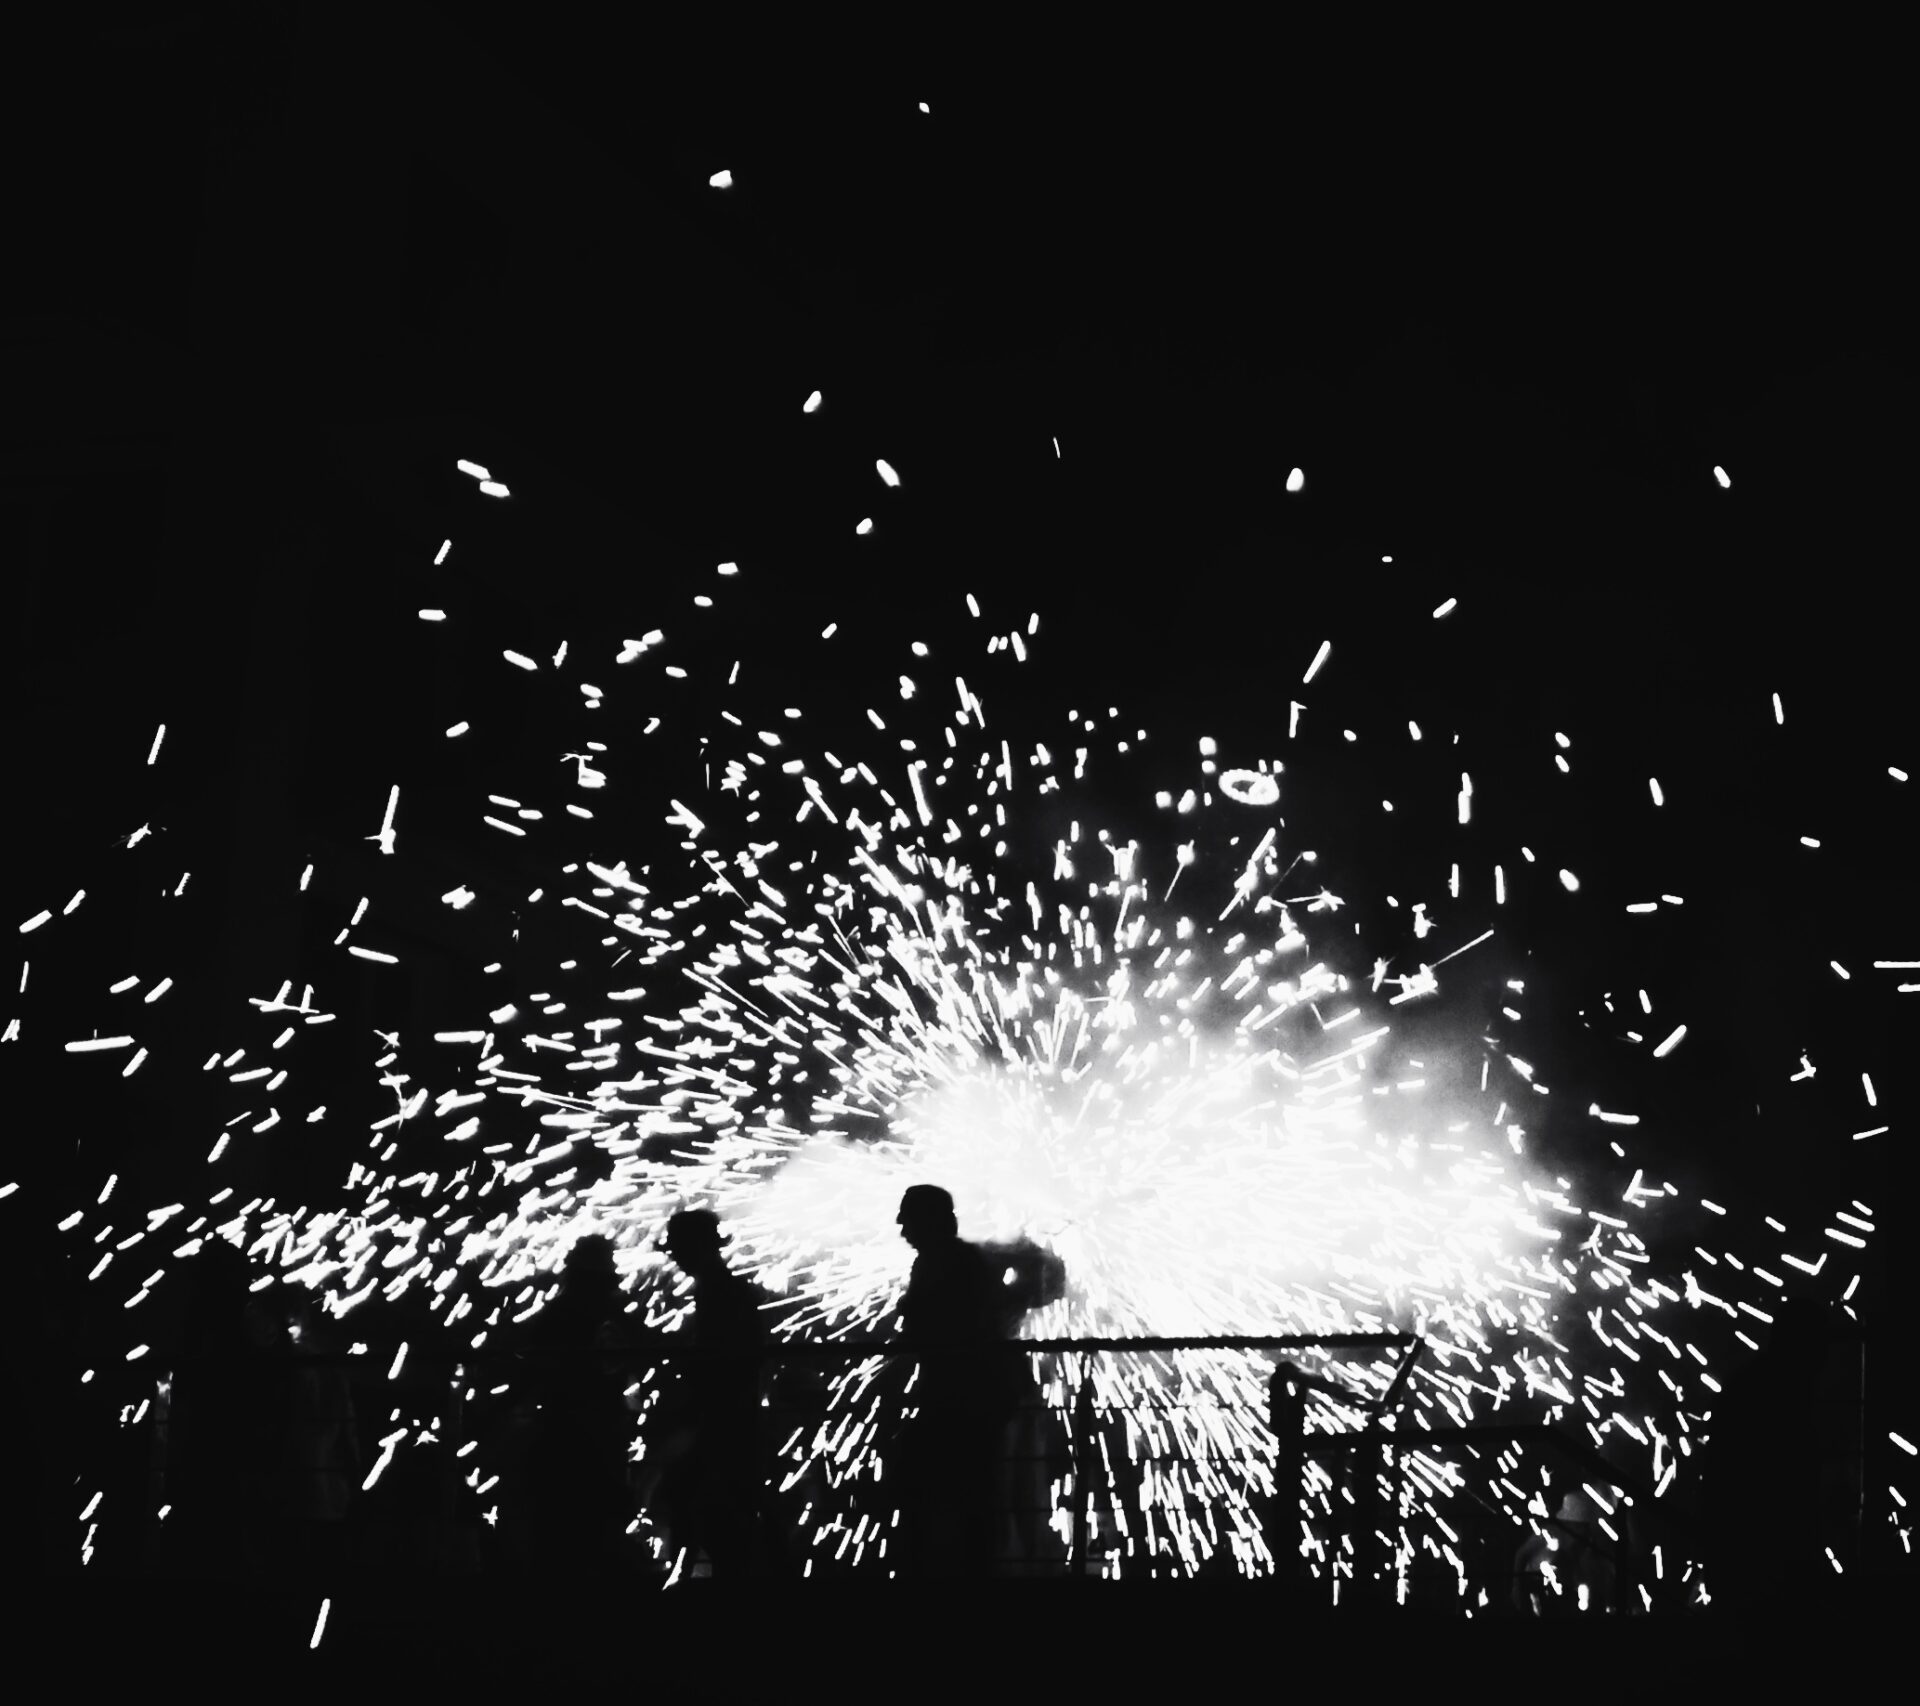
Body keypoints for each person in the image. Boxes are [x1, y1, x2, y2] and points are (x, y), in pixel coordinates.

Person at [888, 1184, 1014, 1580]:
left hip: (961, 1395)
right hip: (971, 1392)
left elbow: (941, 1320)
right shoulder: (957, 1258)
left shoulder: (945, 1261)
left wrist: (911, 1312)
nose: (902, 1229)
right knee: (969, 1493)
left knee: (954, 1492)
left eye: (909, 1220)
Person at [647, 1210, 774, 1579]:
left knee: (713, 1516)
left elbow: (726, 1365)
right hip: (722, 1421)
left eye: (680, 1249)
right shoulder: (719, 1290)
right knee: (710, 1513)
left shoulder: (722, 1293)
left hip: (722, 1424)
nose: (676, 1258)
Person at [497, 1235, 634, 1574]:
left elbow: (535, 1368)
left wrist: (499, 1411)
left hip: (566, 1432)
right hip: (606, 1430)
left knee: (561, 1528)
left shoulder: (562, 1315)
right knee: (600, 1527)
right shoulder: (616, 1316)